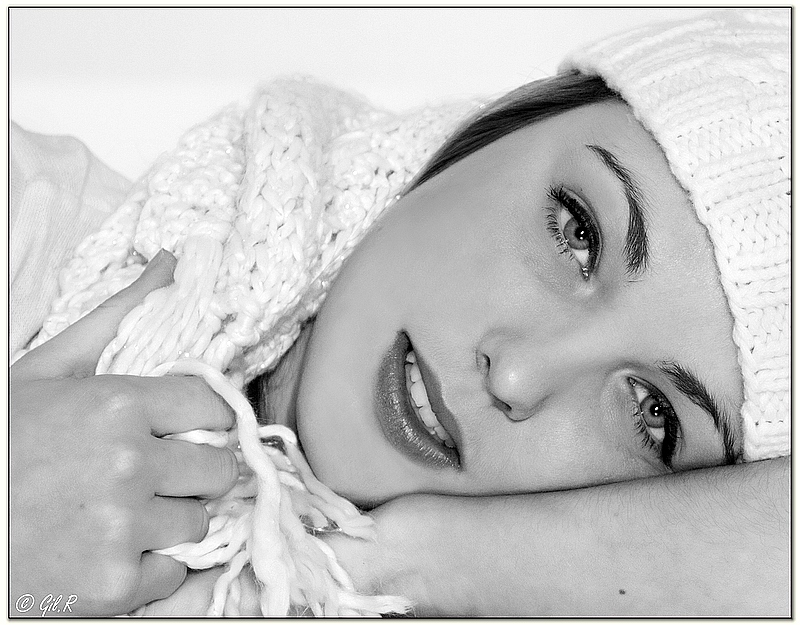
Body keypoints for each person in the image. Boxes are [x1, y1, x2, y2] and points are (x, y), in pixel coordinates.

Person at [10, 8, 789, 617]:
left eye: (654, 413)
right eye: (578, 232)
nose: (518, 374)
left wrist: (414, 562)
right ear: (505, 120)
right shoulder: (28, 224)